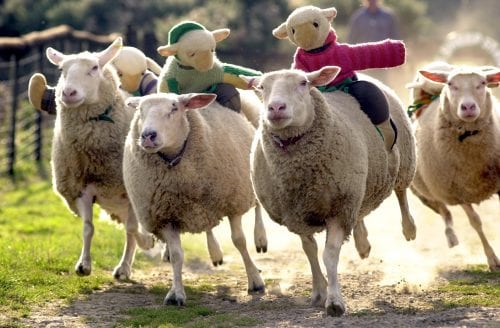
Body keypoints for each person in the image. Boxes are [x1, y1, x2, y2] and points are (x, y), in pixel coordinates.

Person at [348, 0, 400, 83]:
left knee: (383, 85)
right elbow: (351, 40)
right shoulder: (358, 17)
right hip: (365, 60)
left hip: (383, 59)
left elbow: (395, 37)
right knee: (367, 84)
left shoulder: (388, 16)